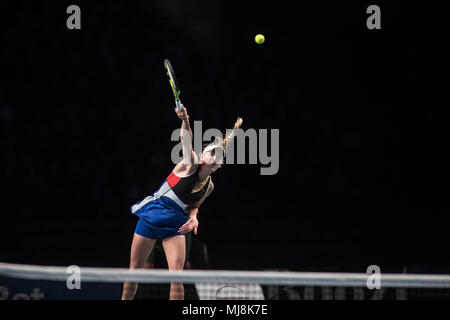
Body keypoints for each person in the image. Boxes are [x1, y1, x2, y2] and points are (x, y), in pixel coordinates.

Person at [121, 104, 242, 300]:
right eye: (212, 153)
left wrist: (194, 218)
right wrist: (185, 119)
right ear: (203, 156)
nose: (215, 158)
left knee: (177, 278)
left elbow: (194, 207)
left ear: (220, 165)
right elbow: (186, 139)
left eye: (220, 158)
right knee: (135, 269)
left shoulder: (209, 186)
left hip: (176, 223)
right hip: (153, 213)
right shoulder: (190, 163)